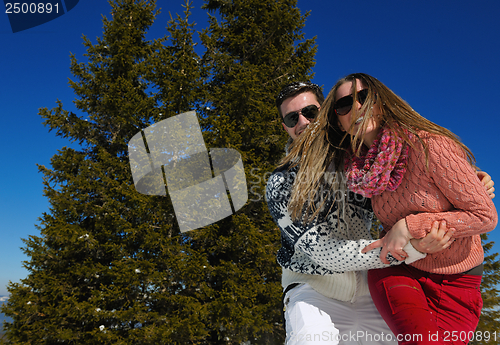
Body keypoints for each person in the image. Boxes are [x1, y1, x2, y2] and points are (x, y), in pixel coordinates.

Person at [267, 81, 495, 345]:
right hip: (314, 289)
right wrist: (413, 248)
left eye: (310, 112)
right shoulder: (283, 182)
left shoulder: (361, 167)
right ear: (285, 126)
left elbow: (412, 185)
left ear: (327, 114)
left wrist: (468, 183)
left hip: (366, 290)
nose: (303, 122)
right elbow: (326, 253)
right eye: (292, 117)